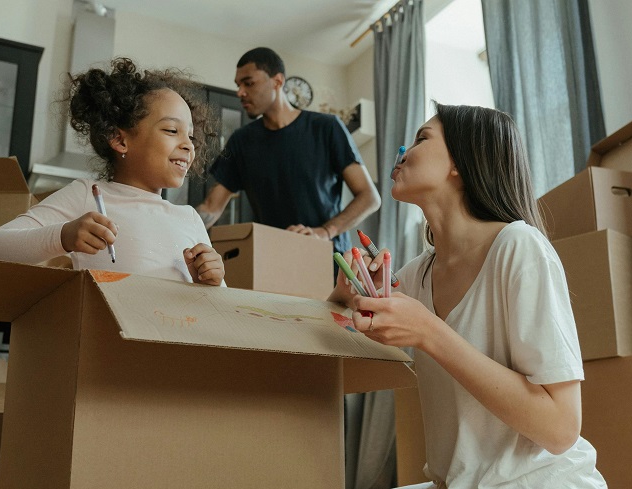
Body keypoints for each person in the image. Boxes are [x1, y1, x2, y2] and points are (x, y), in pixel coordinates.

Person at [330, 104, 607, 488]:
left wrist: (430, 332)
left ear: (461, 162)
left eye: (421, 139)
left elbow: (561, 430)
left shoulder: (519, 247)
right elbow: (341, 321)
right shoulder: (420, 272)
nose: (402, 153)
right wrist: (346, 289)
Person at [0, 58, 225, 286]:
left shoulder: (189, 218)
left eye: (191, 135)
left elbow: (217, 310)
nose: (189, 144)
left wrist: (212, 281)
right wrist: (63, 236)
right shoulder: (88, 196)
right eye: (172, 130)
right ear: (119, 139)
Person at [196, 47, 380, 257]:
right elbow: (211, 207)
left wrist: (325, 231)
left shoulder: (326, 128)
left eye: (249, 83)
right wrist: (178, 226)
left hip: (329, 261)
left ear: (278, 81)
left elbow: (369, 197)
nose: (240, 92)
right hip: (272, 262)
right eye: (238, 85)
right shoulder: (241, 141)